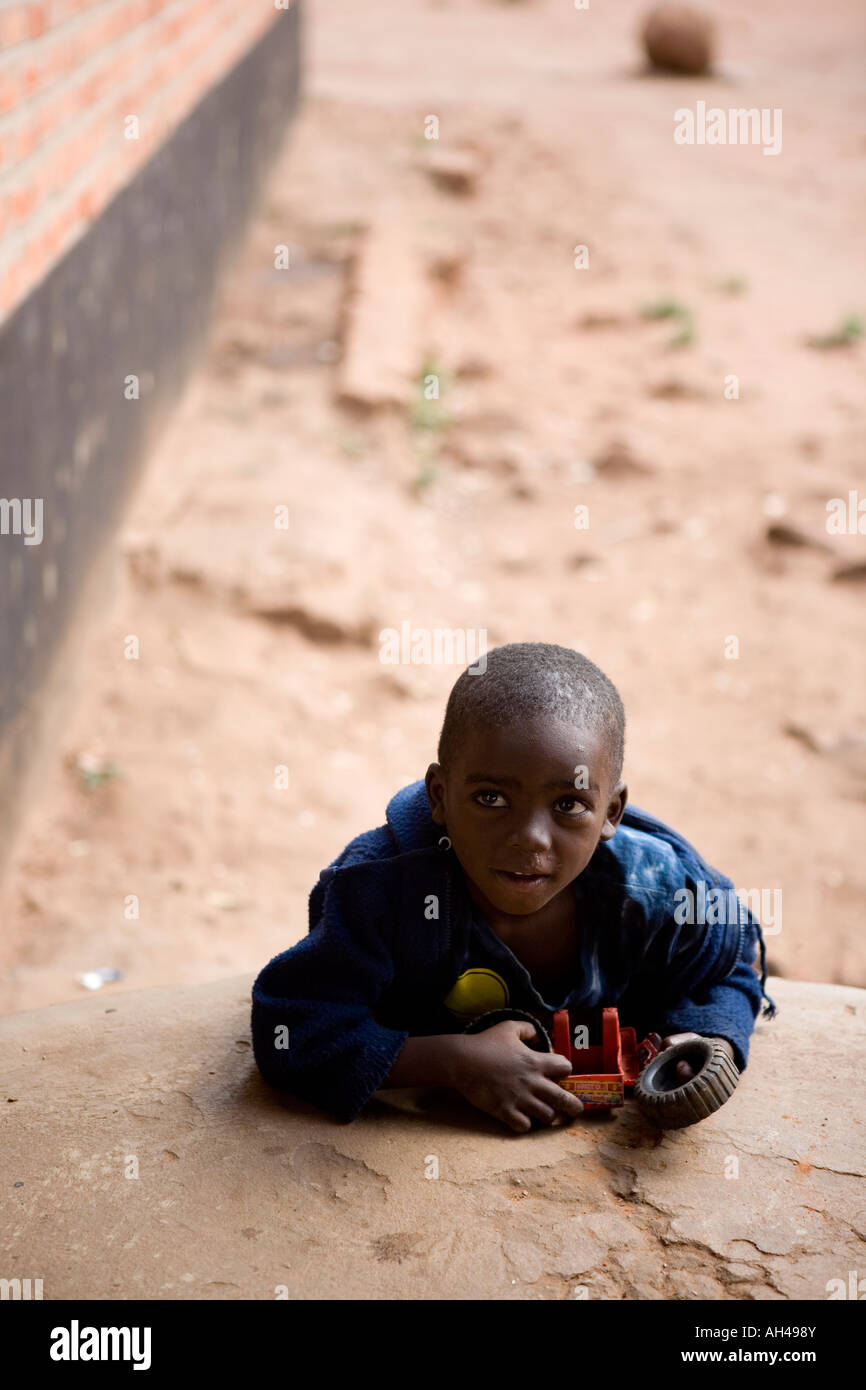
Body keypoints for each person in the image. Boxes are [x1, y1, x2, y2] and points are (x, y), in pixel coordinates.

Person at [251, 643, 775, 1131]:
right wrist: (453, 1061)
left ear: (611, 812)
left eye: (569, 805)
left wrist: (703, 1037)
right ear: (439, 795)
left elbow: (731, 961)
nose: (529, 839)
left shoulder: (654, 889)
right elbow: (295, 1026)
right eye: (491, 799)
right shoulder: (383, 889)